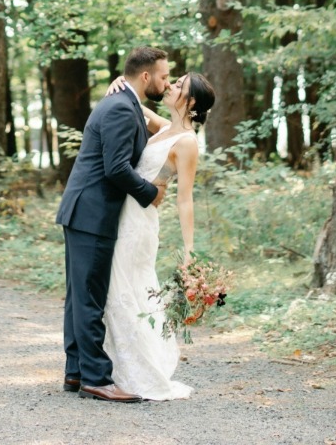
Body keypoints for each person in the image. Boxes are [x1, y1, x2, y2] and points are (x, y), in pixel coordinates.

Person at [55, 46, 172, 403]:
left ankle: (76, 372)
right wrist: (150, 193)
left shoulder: (125, 104)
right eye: (164, 76)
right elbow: (116, 167)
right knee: (89, 298)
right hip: (92, 213)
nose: (167, 84)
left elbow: (167, 130)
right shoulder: (121, 107)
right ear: (146, 76)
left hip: (85, 212)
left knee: (80, 297)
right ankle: (96, 379)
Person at [103, 70, 216, 401]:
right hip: (123, 212)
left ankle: (134, 372)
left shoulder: (187, 143)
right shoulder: (165, 129)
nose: (170, 85)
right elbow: (134, 105)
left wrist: (189, 250)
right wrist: (118, 83)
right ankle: (115, 366)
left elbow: (185, 199)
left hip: (139, 222)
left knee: (126, 289)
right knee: (123, 288)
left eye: (179, 85)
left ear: (191, 101)